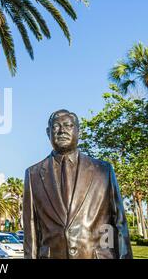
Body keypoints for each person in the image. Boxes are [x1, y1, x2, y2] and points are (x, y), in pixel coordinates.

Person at [23, 109, 133, 259]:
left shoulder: (103, 170)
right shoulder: (33, 174)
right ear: (48, 132)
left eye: (68, 125)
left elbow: (119, 223)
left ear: (78, 131)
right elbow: (31, 231)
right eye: (56, 127)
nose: (62, 131)